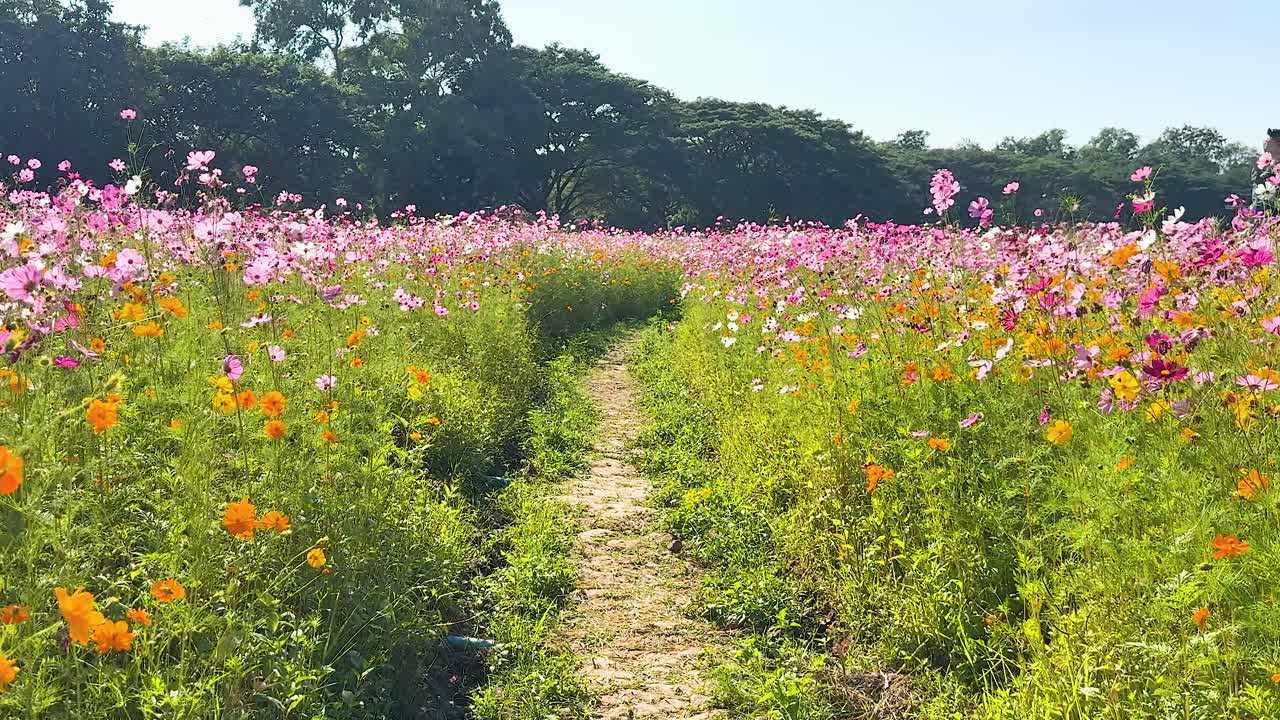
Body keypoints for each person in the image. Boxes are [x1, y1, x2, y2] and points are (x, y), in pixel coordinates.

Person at [1254, 129, 1280, 210]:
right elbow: (1257, 183)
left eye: (1271, 140)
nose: (1266, 143)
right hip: (1265, 206)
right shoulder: (1262, 162)